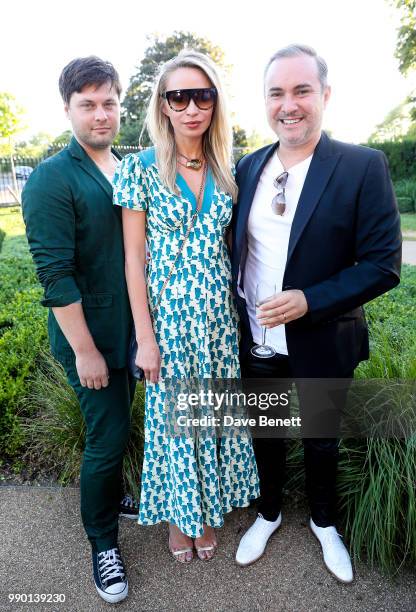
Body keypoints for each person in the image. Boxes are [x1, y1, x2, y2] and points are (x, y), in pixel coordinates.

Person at [232, 44, 401, 582]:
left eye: (301, 90)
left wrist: (311, 299)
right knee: (268, 434)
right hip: (257, 339)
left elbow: (382, 264)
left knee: (321, 438)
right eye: (277, 93)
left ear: (324, 95)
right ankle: (269, 513)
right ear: (265, 102)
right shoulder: (248, 165)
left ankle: (326, 524)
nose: (289, 104)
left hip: (323, 338)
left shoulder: (361, 165)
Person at [113, 49, 259, 563]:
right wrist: (145, 338)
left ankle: (206, 511)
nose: (192, 106)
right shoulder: (140, 169)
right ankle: (182, 520)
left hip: (218, 320)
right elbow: (134, 261)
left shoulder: (227, 167)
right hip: (169, 323)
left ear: (215, 102)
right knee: (176, 423)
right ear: (164, 105)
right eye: (179, 96)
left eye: (203, 95)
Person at [22, 56, 136, 604]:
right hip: (89, 339)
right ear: (67, 108)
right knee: (107, 437)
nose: (101, 114)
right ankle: (102, 542)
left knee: (118, 432)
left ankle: (108, 499)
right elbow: (55, 274)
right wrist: (85, 350)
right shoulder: (51, 176)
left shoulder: (130, 167)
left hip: (134, 332)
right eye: (87, 104)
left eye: (109, 102)